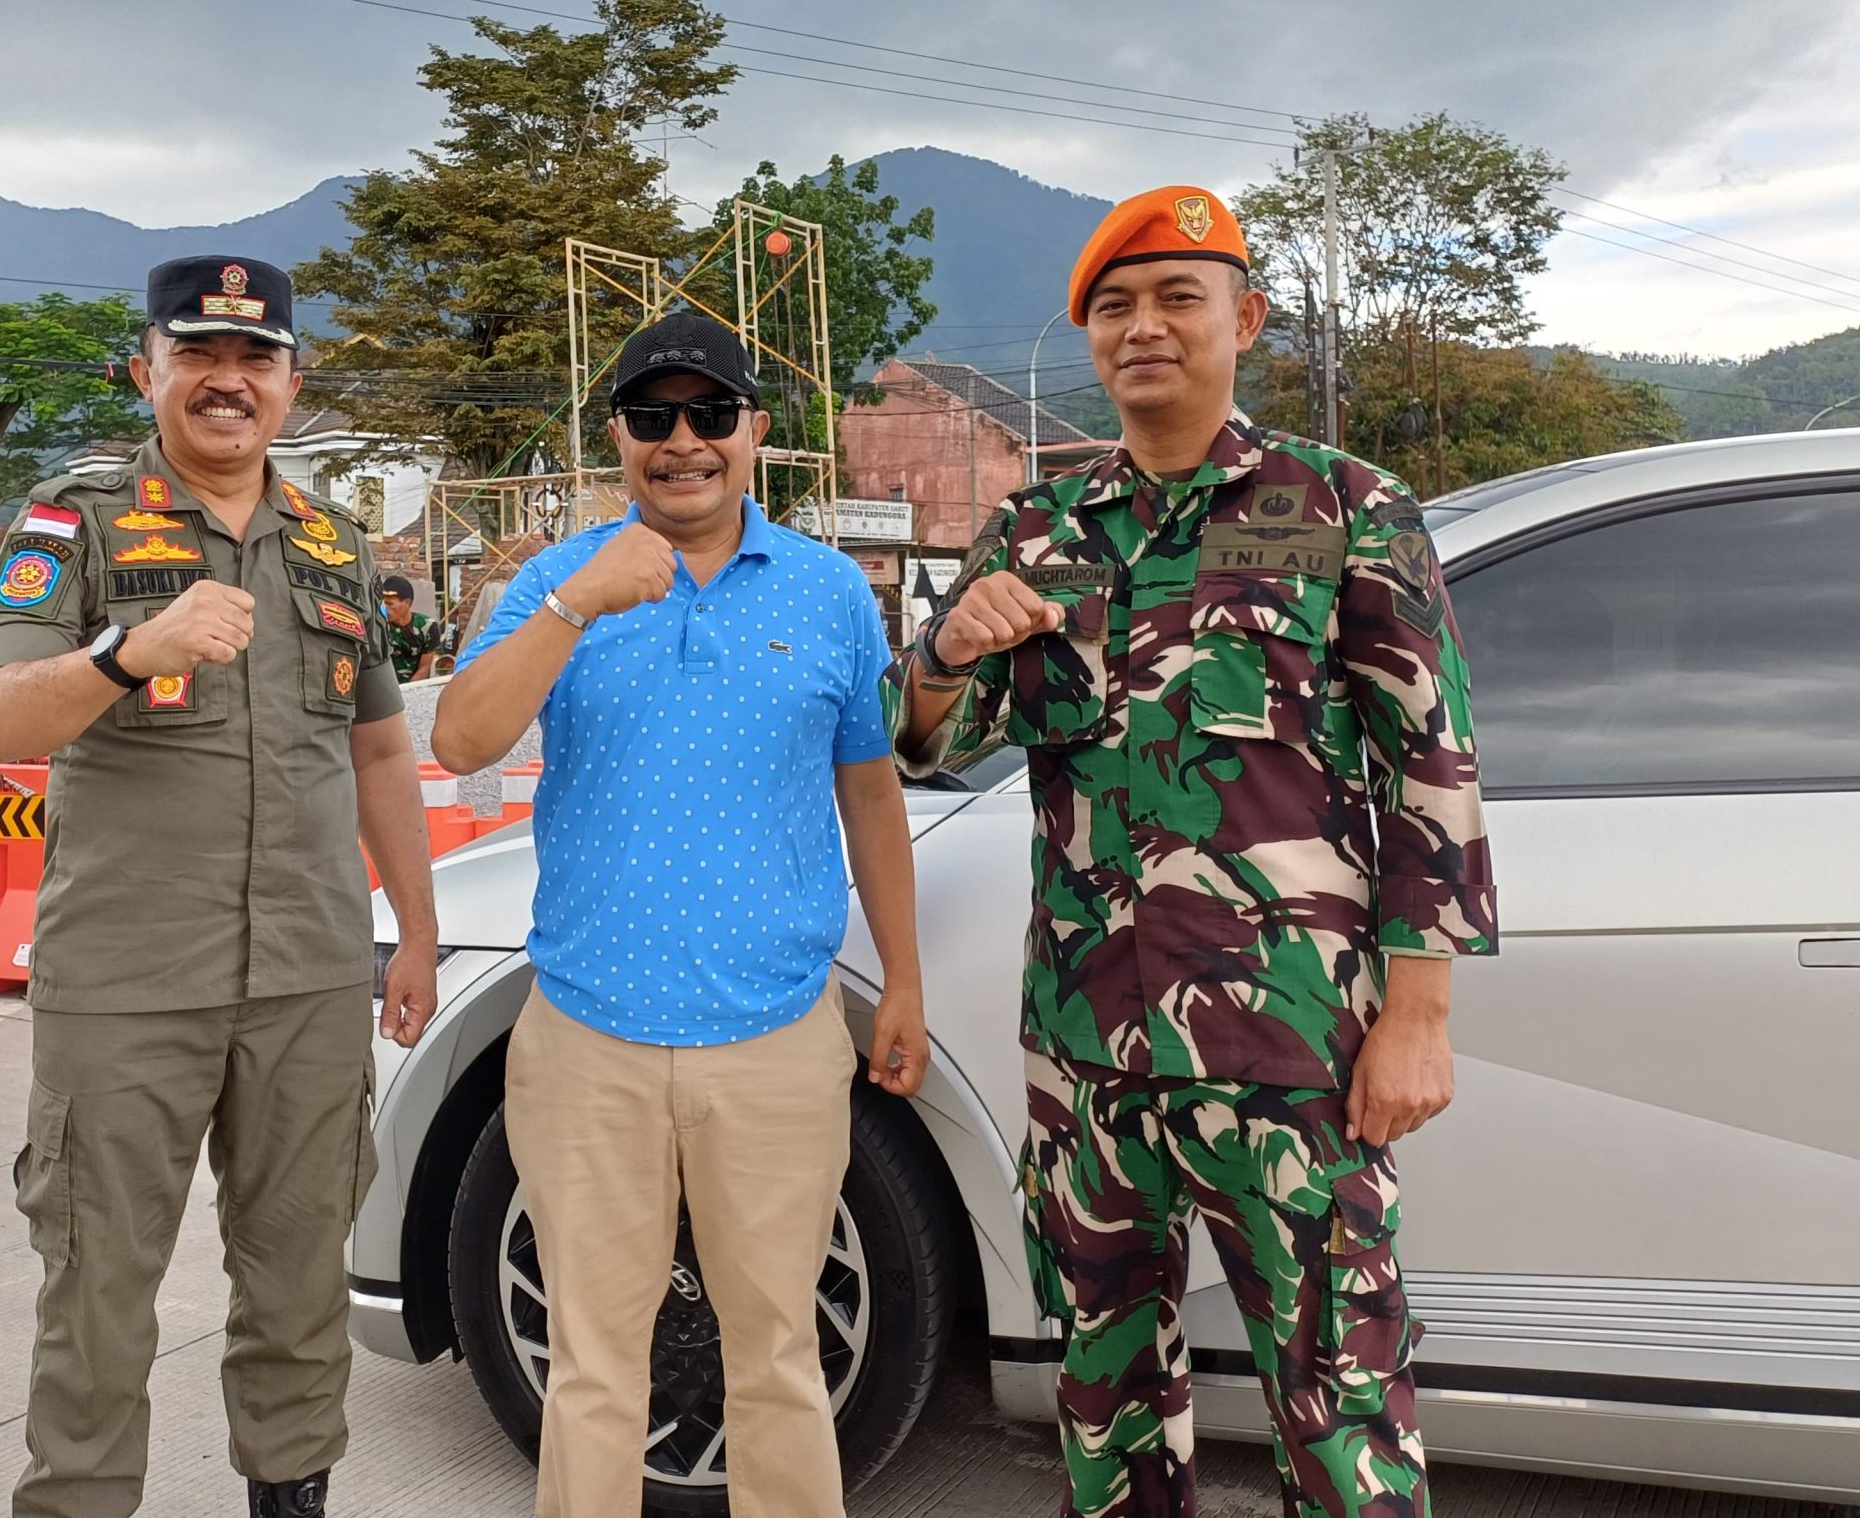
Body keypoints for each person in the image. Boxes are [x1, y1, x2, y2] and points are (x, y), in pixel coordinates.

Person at [883, 188, 1497, 1518]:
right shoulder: (1037, 530)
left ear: (1245, 322)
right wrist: (944, 649)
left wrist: (1420, 1014)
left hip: (1290, 1053)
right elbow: (926, 744)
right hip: (1089, 1054)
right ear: (1089, 338)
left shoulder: (1342, 507)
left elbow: (1430, 761)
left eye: (1177, 297)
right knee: (1104, 1412)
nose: (1143, 327)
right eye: (1115, 305)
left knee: (1338, 1404)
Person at [0, 256, 440, 1518]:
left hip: (310, 977)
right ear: (149, 371)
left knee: (296, 1287)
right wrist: (128, 652)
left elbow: (380, 747)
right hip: (126, 982)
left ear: (290, 382)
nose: (228, 382)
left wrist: (418, 939)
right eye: (199, 357)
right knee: (98, 1294)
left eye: (257, 360)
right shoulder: (74, 520)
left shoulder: (335, 543)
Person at [432, 308, 928, 1518]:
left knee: (779, 1366)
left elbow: (870, 789)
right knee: (594, 1373)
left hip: (775, 1040)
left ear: (756, 428)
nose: (683, 442)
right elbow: (458, 739)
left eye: (711, 414)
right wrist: (575, 603)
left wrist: (900, 983)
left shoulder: (825, 592)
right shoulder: (559, 581)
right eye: (653, 418)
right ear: (618, 435)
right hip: (587, 1038)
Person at [375, 574, 448, 681]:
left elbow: (424, 668)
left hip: (415, 687)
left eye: (390, 604)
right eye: (383, 603)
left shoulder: (427, 627)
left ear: (407, 603)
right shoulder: (379, 626)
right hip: (385, 685)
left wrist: (407, 692)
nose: (385, 608)